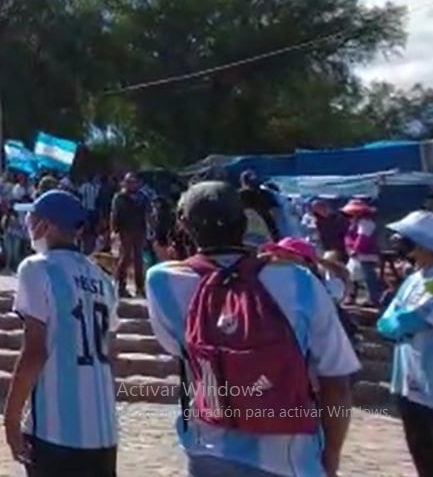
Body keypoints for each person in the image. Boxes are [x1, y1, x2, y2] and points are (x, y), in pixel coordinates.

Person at [144, 181, 360, 477]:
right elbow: (336, 382)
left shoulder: (160, 282)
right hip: (292, 457)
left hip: (208, 449)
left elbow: (178, 350)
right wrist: (331, 457)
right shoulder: (299, 280)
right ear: (244, 222)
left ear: (183, 225)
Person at [3, 190, 119, 476]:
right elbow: (110, 349)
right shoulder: (103, 280)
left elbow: (35, 351)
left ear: (48, 225)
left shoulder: (37, 268)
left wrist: (11, 416)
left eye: (32, 218)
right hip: (103, 429)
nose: (28, 224)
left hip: (57, 429)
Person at [378, 210, 433, 475]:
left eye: (410, 242)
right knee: (419, 448)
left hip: (430, 381)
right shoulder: (413, 279)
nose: (405, 250)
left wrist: (401, 321)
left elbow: (409, 319)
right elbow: (387, 322)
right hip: (407, 382)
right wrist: (399, 321)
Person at [109, 173, 150, 297]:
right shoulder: (120, 197)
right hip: (125, 230)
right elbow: (114, 214)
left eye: (134, 182)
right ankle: (121, 286)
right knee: (125, 258)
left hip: (139, 230)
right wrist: (113, 230)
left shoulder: (142, 197)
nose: (131, 184)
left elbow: (148, 212)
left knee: (139, 259)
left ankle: (140, 288)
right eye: (129, 182)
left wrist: (150, 228)